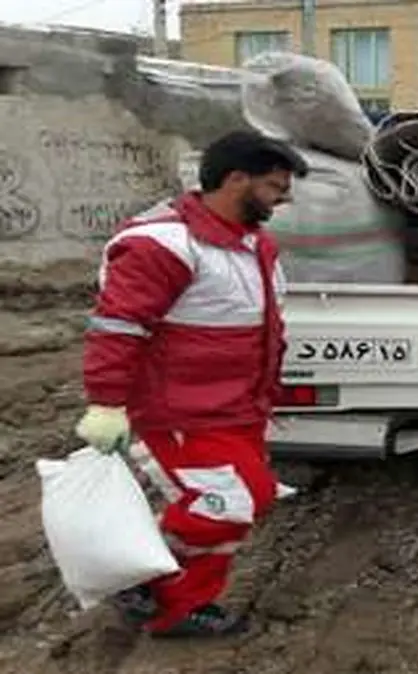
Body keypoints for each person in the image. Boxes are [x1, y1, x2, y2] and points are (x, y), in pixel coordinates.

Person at [74, 130, 308, 638]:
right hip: (182, 411)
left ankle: (159, 585)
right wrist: (106, 404)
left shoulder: (253, 244)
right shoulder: (162, 243)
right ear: (235, 179)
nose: (282, 198)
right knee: (228, 503)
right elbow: (119, 327)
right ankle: (159, 594)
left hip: (234, 408)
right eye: (274, 186)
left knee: (247, 497)